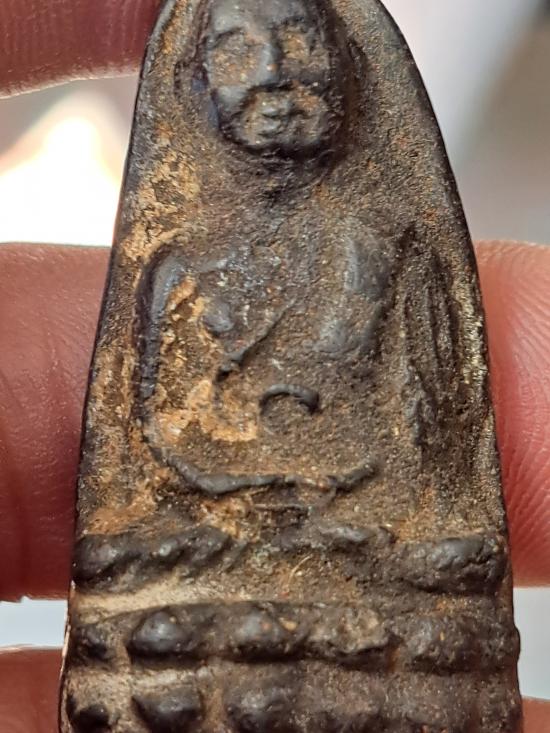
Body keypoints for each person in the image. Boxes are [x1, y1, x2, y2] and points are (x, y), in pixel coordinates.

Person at [0, 2, 547, 730]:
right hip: (212, 537)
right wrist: (243, 483)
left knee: (450, 557)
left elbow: (429, 435)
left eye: (298, 43)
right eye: (236, 52)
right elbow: (163, 434)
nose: (273, 76)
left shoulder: (391, 254)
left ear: (349, 72)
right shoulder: (181, 267)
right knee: (122, 558)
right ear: (196, 82)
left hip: (363, 538)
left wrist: (336, 484)